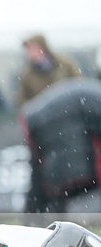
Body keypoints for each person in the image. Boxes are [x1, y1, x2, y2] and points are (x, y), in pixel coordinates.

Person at [21, 78, 101, 213]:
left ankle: (34, 218)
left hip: (41, 117)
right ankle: (44, 219)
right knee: (61, 184)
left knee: (43, 178)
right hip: (57, 120)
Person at [16, 33, 82, 107]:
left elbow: (79, 86)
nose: (30, 53)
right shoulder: (27, 75)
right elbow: (22, 101)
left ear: (43, 48)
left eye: (33, 48)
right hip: (43, 115)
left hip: (68, 109)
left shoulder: (66, 66)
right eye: (28, 50)